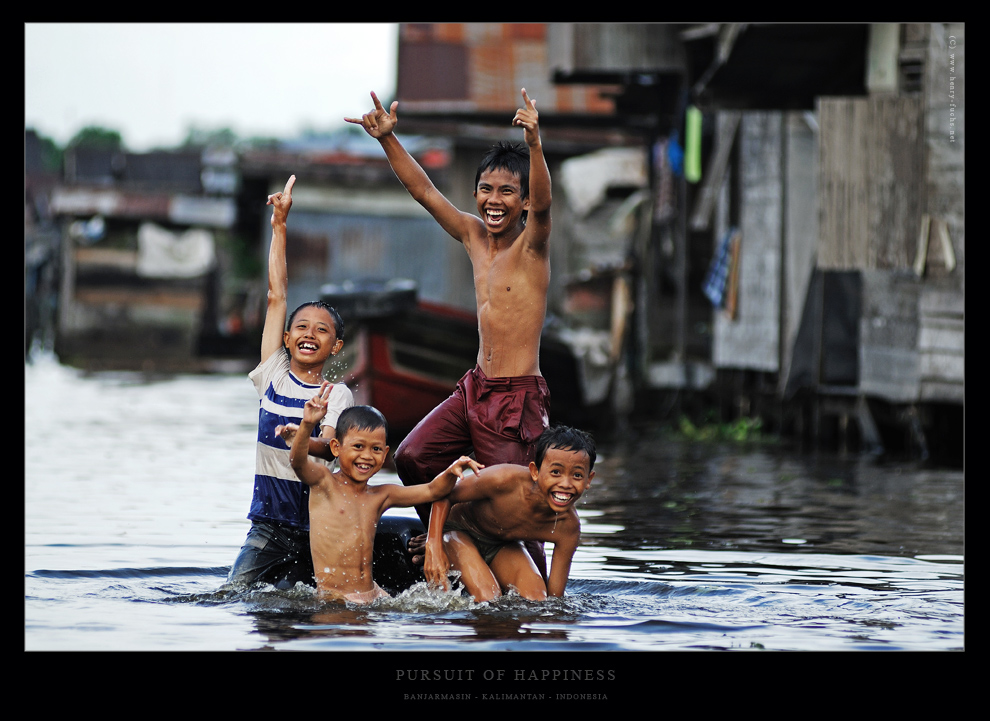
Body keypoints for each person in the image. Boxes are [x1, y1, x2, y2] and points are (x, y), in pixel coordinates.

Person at [345, 88, 553, 578]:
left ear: (522, 201)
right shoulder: (473, 235)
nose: (493, 201)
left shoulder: (532, 247)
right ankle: (451, 537)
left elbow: (545, 206)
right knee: (413, 456)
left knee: (519, 506)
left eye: (506, 192)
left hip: (515, 399)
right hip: (474, 388)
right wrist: (388, 140)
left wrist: (535, 142)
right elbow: (424, 192)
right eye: (486, 189)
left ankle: (538, 594)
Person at [226, 175, 354, 589]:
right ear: (286, 338)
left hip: (315, 526)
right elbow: (276, 296)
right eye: (301, 327)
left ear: (335, 347)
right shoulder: (273, 375)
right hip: (267, 524)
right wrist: (279, 226)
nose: (309, 334)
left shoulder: (337, 394)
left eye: (321, 331)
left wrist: (300, 433)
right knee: (234, 594)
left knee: (304, 613)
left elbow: (329, 447)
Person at [289, 387, 484, 603]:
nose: (366, 456)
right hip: (336, 598)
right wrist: (307, 425)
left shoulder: (382, 495)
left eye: (376, 449)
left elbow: (432, 490)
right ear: (336, 447)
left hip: (373, 593)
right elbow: (297, 462)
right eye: (358, 446)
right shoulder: (324, 483)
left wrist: (452, 470)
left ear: (384, 456)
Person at [423, 425, 595, 601]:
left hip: (500, 544)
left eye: (577, 476)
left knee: (538, 600)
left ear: (589, 480)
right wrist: (433, 544)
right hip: (458, 532)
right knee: (488, 598)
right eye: (556, 472)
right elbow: (444, 494)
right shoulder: (504, 479)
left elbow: (555, 599)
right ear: (535, 471)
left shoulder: (568, 527)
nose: (565, 484)